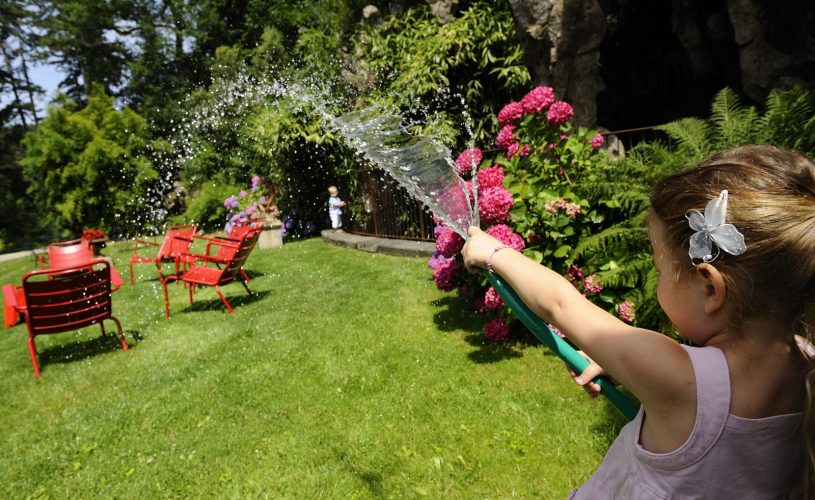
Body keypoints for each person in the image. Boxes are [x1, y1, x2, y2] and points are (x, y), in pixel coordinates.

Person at [461, 145, 815, 498]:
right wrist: (633, 368)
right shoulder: (805, 365)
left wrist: (495, 253)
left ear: (710, 289)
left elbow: (560, 304)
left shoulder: (679, 381)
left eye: (660, 269)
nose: (658, 276)